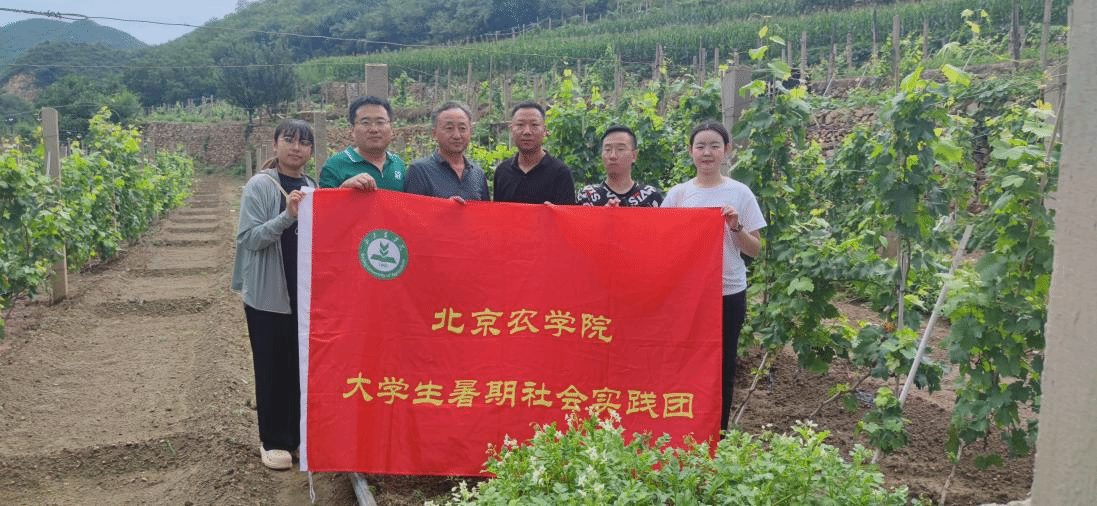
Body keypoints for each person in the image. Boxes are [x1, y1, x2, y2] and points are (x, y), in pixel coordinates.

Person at [661, 120, 765, 434]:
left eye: (714, 146)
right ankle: (681, 425)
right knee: (683, 361)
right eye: (701, 146)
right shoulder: (679, 194)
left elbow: (755, 250)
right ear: (690, 151)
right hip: (687, 294)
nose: (707, 152)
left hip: (727, 292)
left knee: (722, 364)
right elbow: (660, 240)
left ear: (727, 150)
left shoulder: (740, 193)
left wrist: (736, 227)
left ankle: (716, 432)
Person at [230, 119, 317, 470]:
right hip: (269, 293)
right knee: (272, 367)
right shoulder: (260, 185)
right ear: (276, 144)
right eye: (289, 140)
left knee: (299, 366)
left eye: (304, 142)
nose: (296, 147)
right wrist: (287, 216)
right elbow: (248, 239)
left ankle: (296, 437)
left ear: (311, 150)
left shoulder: (312, 185)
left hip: (304, 293)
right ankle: (273, 440)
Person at [404, 101, 489, 202]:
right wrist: (445, 207)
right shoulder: (419, 171)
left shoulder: (477, 173)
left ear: (470, 132)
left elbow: (486, 211)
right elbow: (411, 210)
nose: (457, 135)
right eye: (449, 128)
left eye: (462, 128)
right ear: (434, 133)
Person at [493, 101, 576, 204]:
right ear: (511, 130)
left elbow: (566, 213)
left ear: (544, 131)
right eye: (520, 125)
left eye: (534, 125)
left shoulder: (561, 173)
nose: (527, 131)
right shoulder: (502, 172)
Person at [319, 95, 406, 191]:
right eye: (365, 123)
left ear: (391, 128)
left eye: (380, 122)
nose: (374, 129)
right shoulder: (335, 166)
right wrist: (344, 189)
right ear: (352, 130)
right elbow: (323, 200)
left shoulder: (397, 163)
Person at [576, 125, 663, 207]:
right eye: (607, 149)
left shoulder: (650, 196)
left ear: (634, 155)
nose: (613, 155)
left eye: (620, 149)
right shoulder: (587, 195)